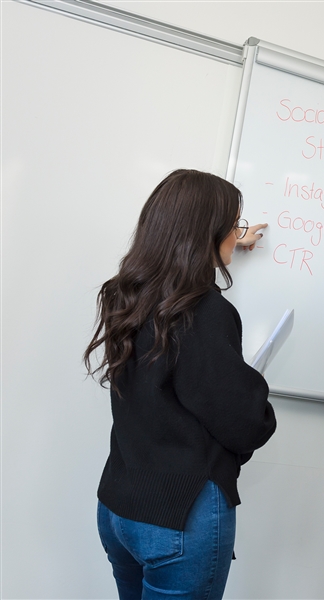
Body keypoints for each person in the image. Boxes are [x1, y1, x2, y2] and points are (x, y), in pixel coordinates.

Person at [84, 169, 277, 599]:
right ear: (205, 231)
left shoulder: (125, 294)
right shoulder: (204, 312)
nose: (238, 234)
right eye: (234, 225)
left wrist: (226, 248)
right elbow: (247, 424)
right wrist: (253, 388)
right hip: (178, 518)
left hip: (119, 507)